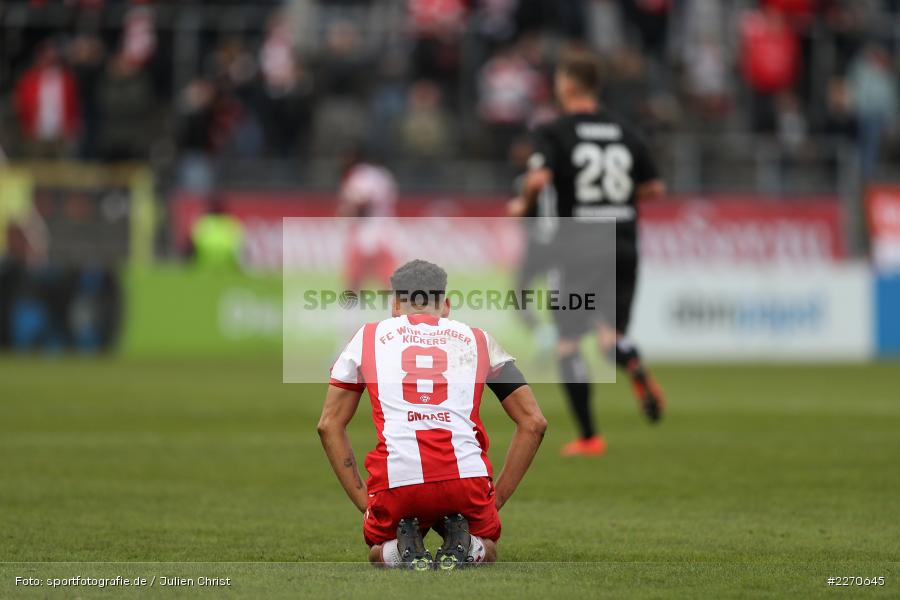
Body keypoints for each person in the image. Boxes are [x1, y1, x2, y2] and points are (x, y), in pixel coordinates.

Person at [318, 259, 547, 569]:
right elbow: (533, 422)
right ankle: (469, 547)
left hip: (397, 483)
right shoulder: (479, 339)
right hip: (465, 480)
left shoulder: (367, 336)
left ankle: (398, 551)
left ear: (395, 304)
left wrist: (365, 503)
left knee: (376, 551)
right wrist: (497, 500)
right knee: (489, 549)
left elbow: (329, 424)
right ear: (447, 305)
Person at [510, 49, 666, 457]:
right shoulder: (625, 130)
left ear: (566, 84)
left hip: (578, 245)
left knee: (568, 342)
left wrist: (523, 207)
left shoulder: (554, 130)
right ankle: (631, 362)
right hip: (625, 242)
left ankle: (588, 436)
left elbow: (539, 178)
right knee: (610, 336)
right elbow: (654, 188)